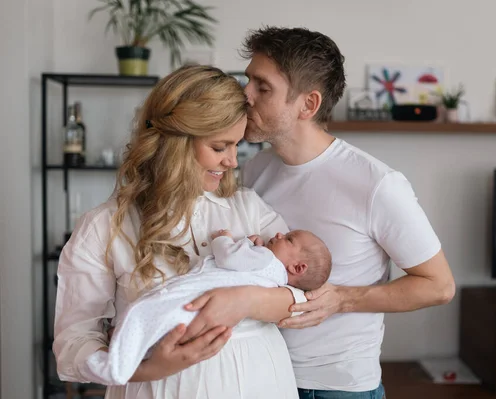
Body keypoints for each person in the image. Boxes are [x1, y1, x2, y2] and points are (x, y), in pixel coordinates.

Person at [53, 64, 308, 399]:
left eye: (236, 146)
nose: (232, 161)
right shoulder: (104, 226)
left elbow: (302, 299)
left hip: (261, 382)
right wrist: (148, 369)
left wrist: (243, 300)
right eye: (220, 147)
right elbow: (73, 341)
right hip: (155, 388)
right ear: (176, 143)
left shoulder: (248, 208)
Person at [239, 26, 456, 398]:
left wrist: (343, 298)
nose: (245, 95)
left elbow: (439, 286)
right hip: (260, 376)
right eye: (248, 82)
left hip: (337, 389)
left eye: (262, 87)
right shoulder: (254, 170)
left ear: (308, 104)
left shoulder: (377, 184)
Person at [85, 228, 332, 385]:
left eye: (288, 239)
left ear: (298, 268)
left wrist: (224, 239)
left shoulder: (267, 259)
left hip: (195, 302)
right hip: (211, 331)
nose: (279, 234)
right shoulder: (274, 277)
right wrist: (251, 246)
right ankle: (129, 355)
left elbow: (229, 257)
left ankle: (117, 363)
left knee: (144, 314)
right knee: (155, 323)